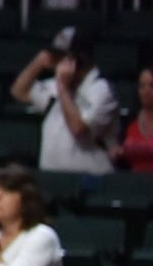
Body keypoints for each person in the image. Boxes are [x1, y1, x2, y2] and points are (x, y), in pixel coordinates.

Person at [10, 27, 119, 176]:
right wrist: (38, 62)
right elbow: (19, 91)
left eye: (60, 58)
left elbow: (79, 129)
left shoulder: (101, 90)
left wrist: (62, 87)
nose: (56, 64)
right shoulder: (57, 85)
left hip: (89, 180)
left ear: (79, 61)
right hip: (52, 177)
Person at [112, 66, 153, 174]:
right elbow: (119, 150)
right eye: (142, 86)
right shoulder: (129, 120)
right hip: (133, 183)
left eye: (151, 86)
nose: (146, 91)